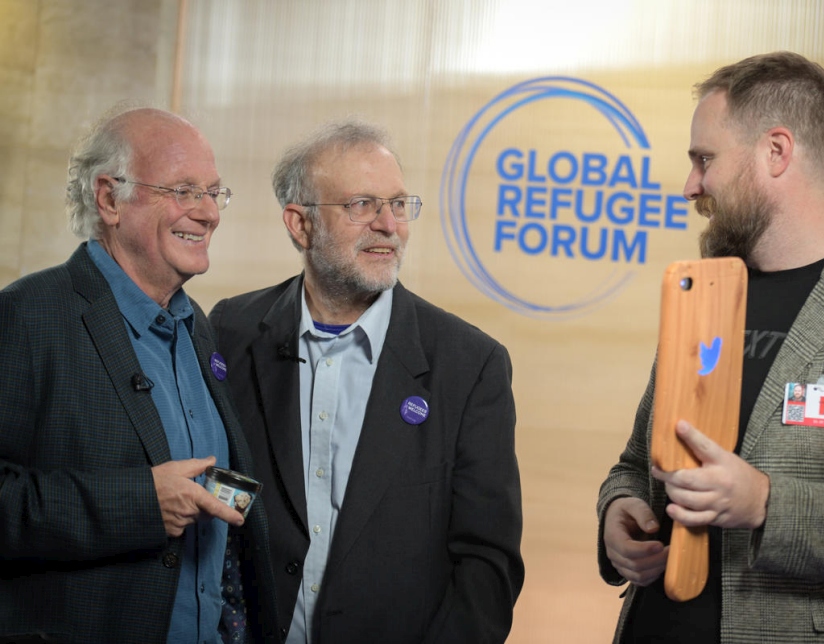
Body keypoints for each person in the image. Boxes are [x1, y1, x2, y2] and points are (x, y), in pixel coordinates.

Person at [597, 51, 824, 643]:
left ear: (776, 151)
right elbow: (639, 463)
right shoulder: (705, 288)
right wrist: (619, 514)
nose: (691, 184)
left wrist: (768, 504)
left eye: (704, 159)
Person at [209, 119, 524, 643]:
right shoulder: (230, 331)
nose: (388, 224)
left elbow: (486, 569)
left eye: (399, 204)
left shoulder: (471, 365)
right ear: (299, 224)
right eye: (362, 205)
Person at [0, 106, 280, 643]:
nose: (208, 213)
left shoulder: (196, 323)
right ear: (109, 199)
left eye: (213, 192)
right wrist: (137, 504)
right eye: (183, 190)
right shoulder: (27, 316)